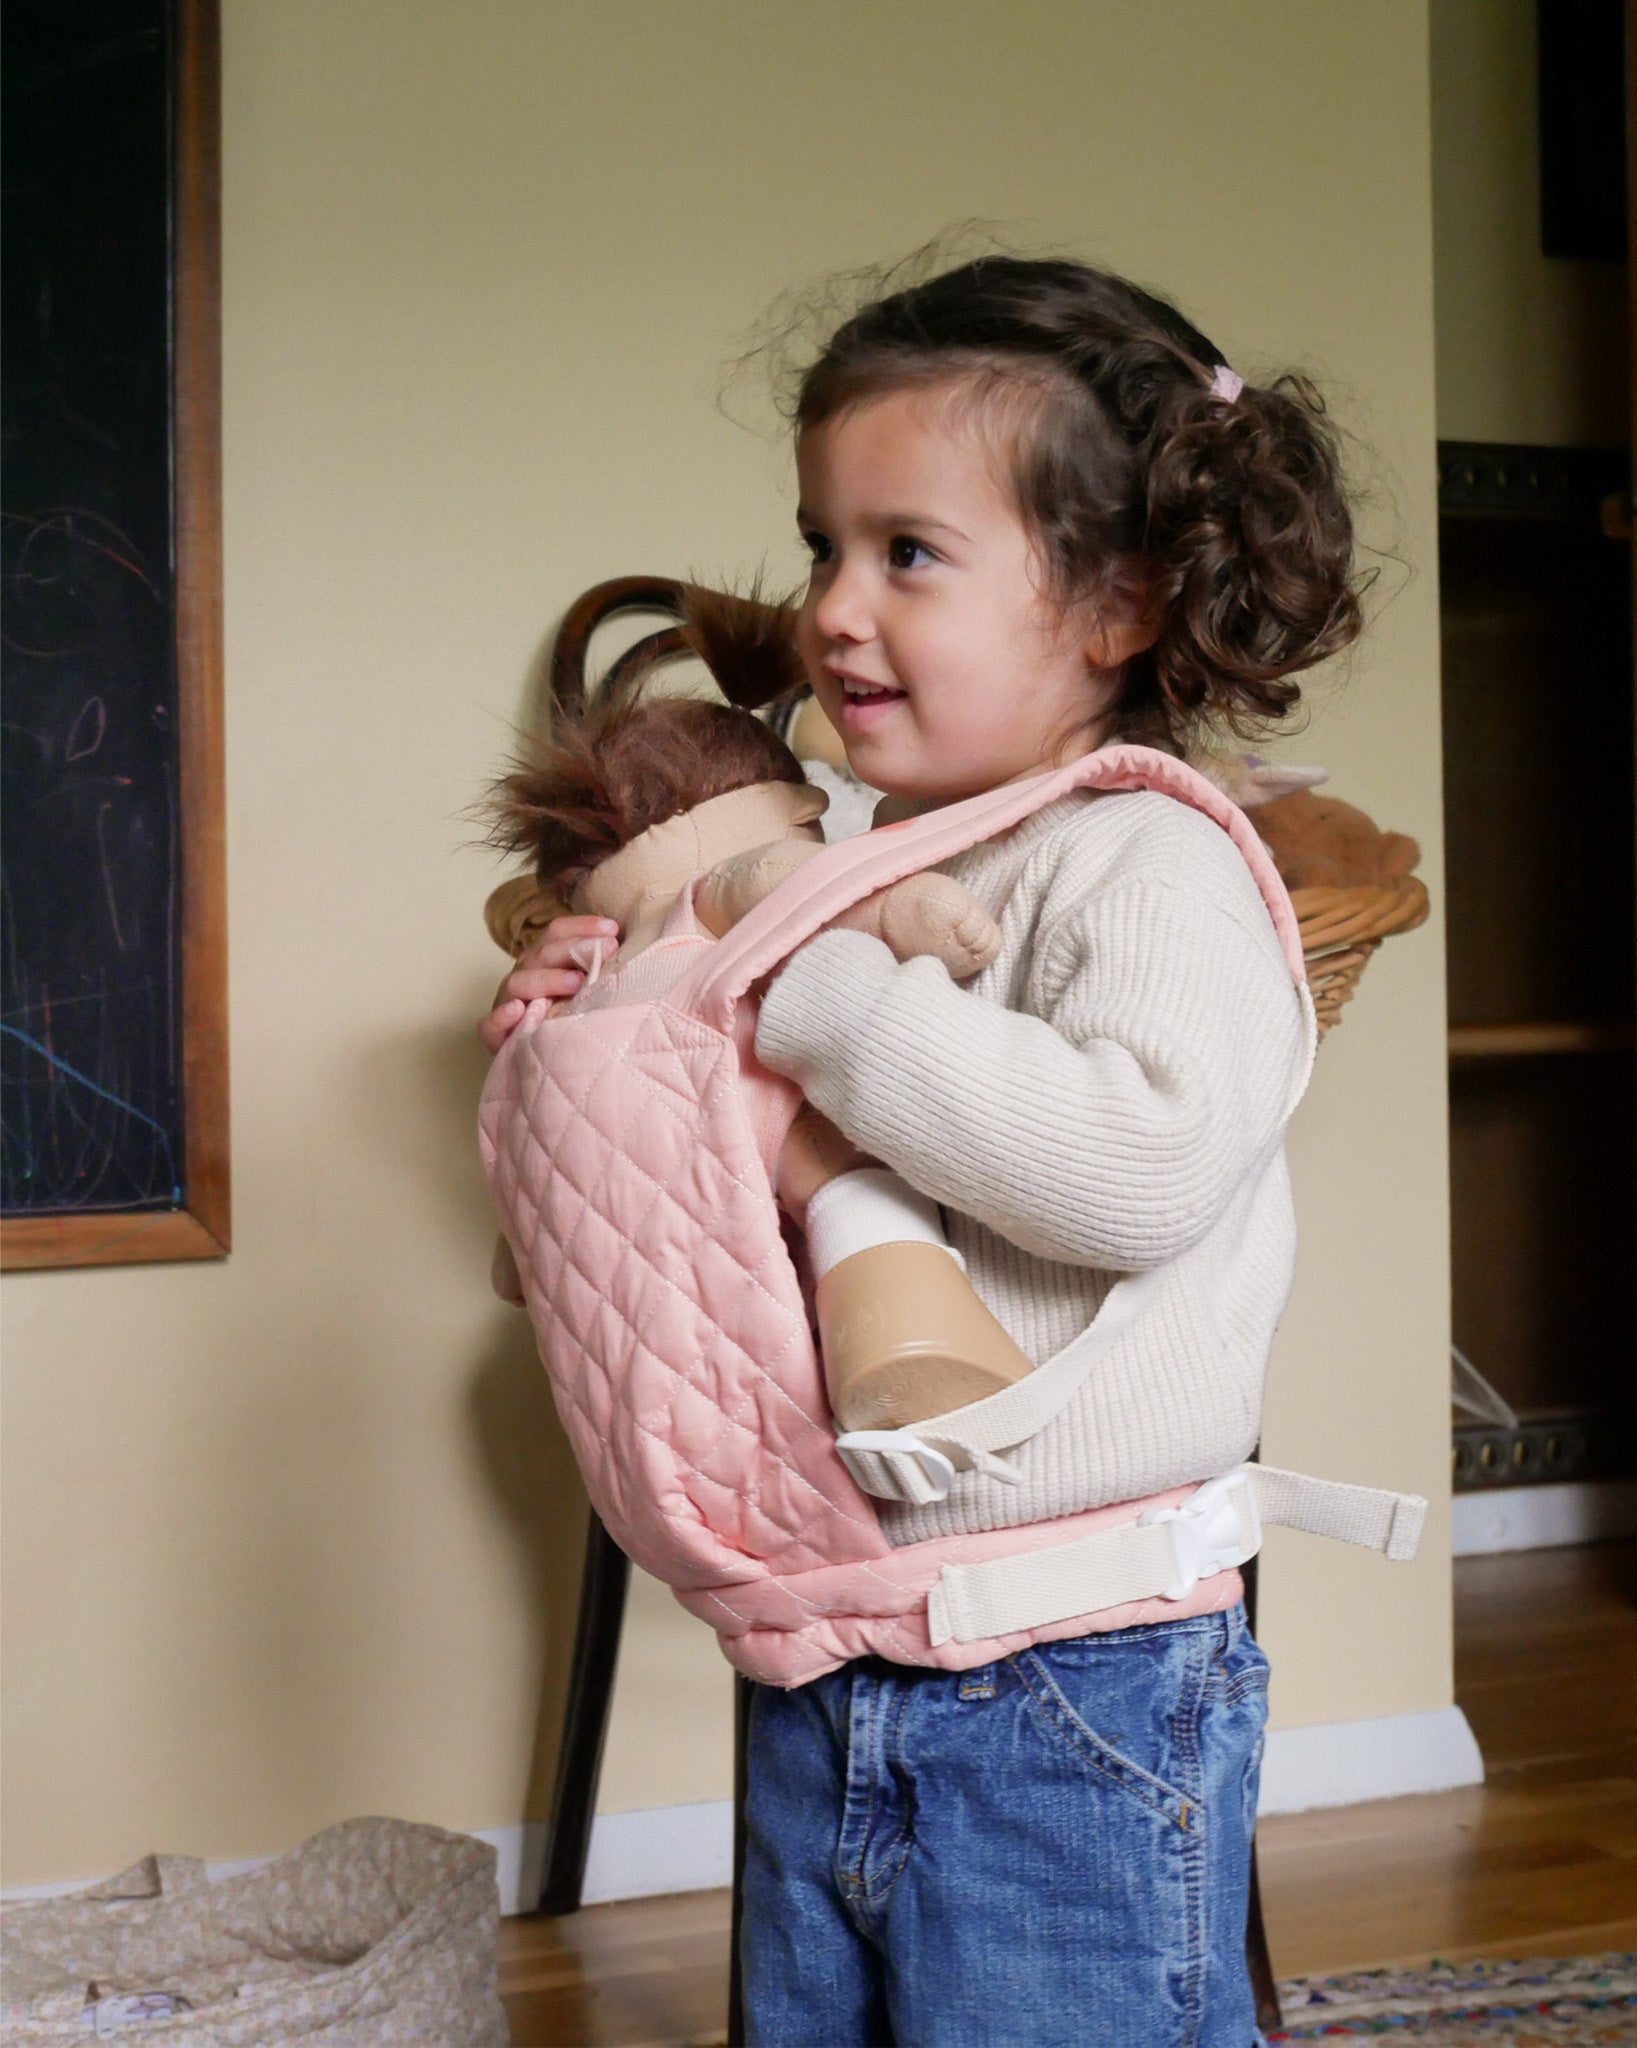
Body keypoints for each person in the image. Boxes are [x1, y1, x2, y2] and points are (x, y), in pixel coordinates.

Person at [480, 255, 1363, 2047]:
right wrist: (627, 1026)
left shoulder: (1152, 864)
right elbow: (714, 1196)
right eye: (821, 546)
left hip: (1075, 1671)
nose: (834, 609)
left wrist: (798, 981)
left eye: (908, 553)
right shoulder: (854, 860)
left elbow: (1134, 1167)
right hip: (832, 1642)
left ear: (1117, 602)